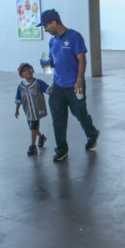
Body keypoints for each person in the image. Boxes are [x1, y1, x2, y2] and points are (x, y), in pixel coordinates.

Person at [36, 9, 99, 162]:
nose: (45, 29)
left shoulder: (74, 37)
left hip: (74, 85)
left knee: (80, 113)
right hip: (58, 85)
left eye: (46, 26)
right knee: (58, 118)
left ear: (53, 22)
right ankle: (62, 150)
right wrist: (47, 63)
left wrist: (79, 80)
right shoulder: (52, 41)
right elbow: (54, 61)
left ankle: (92, 134)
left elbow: (82, 60)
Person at [15, 63, 50, 155]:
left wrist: (56, 91)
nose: (27, 71)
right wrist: (17, 109)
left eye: (29, 69)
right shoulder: (20, 87)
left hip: (37, 110)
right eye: (24, 70)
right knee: (33, 128)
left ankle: (33, 146)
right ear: (21, 75)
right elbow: (18, 99)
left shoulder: (38, 82)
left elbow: (48, 90)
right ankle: (41, 137)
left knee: (33, 126)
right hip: (28, 111)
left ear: (33, 70)